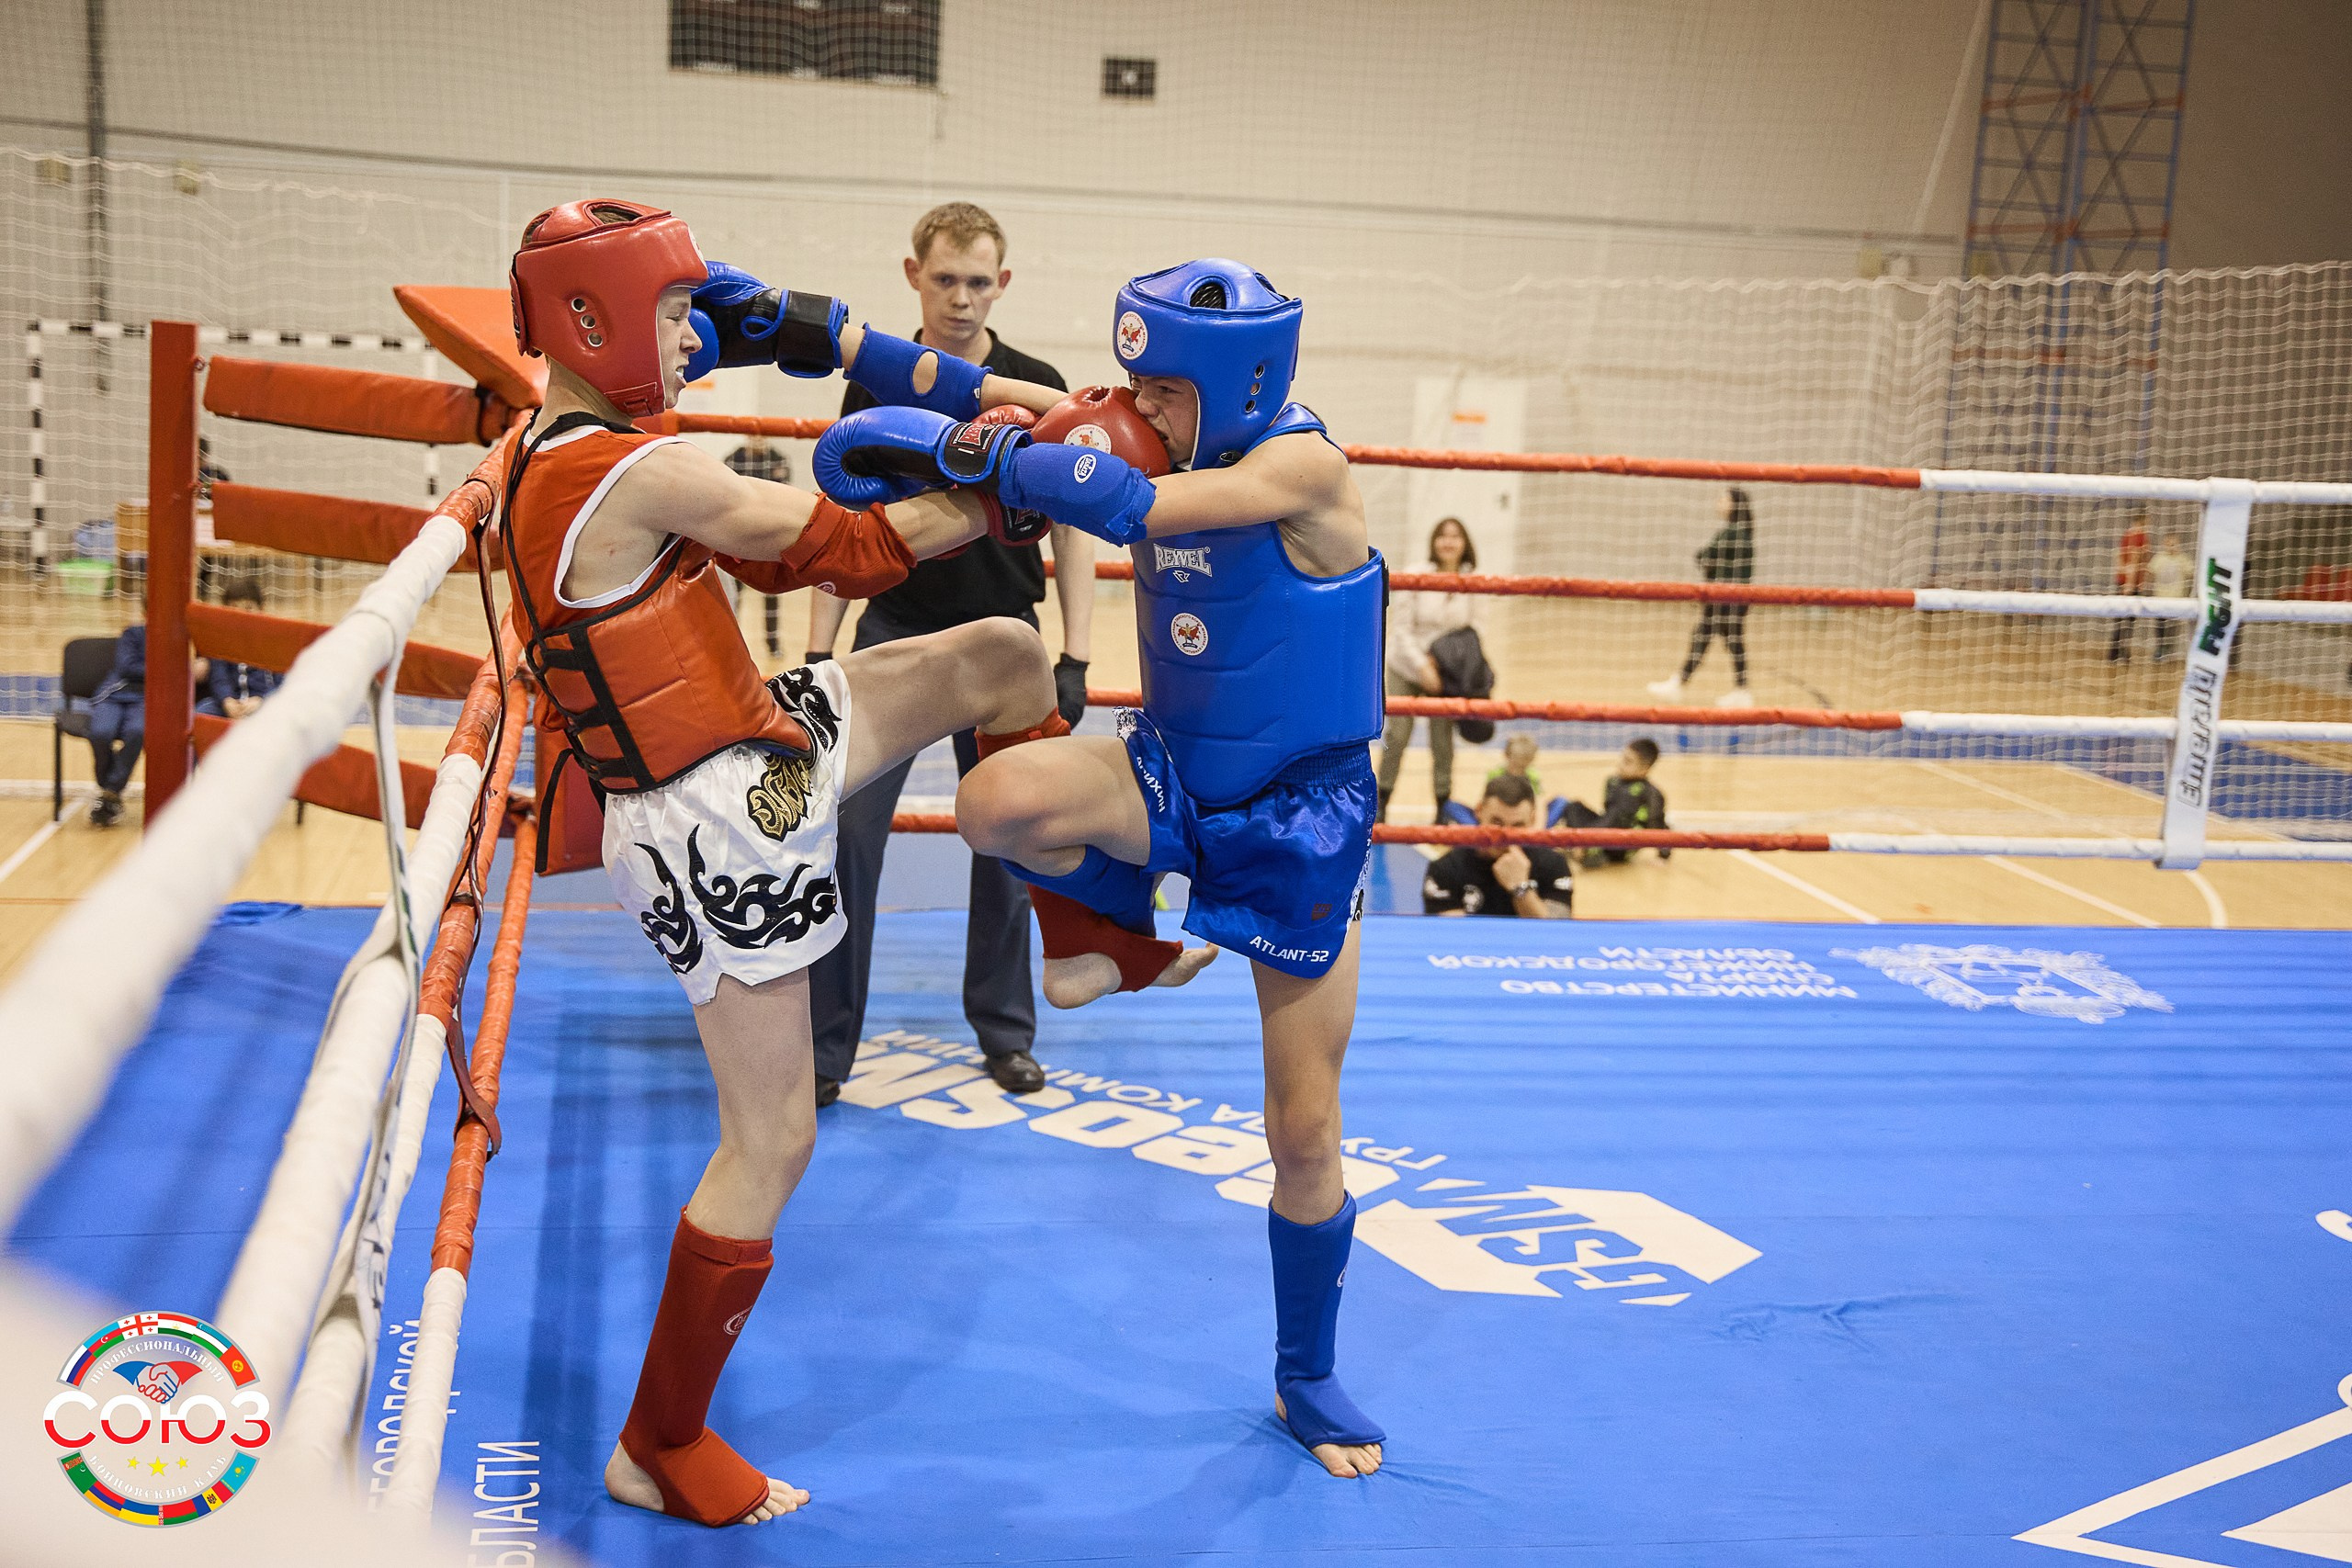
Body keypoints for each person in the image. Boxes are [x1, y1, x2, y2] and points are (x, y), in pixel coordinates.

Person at [503, 199, 1068, 1529]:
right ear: (592, 320)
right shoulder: (627, 473)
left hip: (764, 735)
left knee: (1003, 650)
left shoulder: (572, 444)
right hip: (721, 821)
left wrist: (840, 354)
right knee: (772, 1139)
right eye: (668, 313)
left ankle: (1089, 927)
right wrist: (998, 480)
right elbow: (851, 548)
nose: (692, 337)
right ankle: (659, 1437)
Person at [814, 259, 1391, 1480]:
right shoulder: (1164, 435)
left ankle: (1305, 1373)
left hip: (1301, 817)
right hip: (1173, 768)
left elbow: (1122, 502)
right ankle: (1115, 942)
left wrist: (993, 455)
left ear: (1241, 382)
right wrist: (821, 333)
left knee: (1302, 1128)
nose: (1144, 409)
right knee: (993, 798)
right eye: (1135, 384)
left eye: (1166, 393)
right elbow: (981, 386)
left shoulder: (1300, 467)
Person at [804, 201, 1087, 1107]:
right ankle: (824, 1050)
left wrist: (1076, 653)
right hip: (896, 632)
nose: (961, 298)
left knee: (1014, 837)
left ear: (1002, 283)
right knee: (846, 834)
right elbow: (840, 522)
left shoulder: (1040, 387)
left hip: (1006, 647)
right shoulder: (876, 391)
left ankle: (1004, 1034)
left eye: (978, 282)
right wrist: (819, 649)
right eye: (944, 280)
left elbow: (1076, 527)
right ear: (912, 276)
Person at [1375, 516, 1480, 821]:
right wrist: (1423, 665)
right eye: (1442, 536)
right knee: (1398, 735)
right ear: (1433, 541)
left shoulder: (1475, 579)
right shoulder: (1417, 574)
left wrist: (1447, 667)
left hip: (1448, 672)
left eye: (1455, 536)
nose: (1448, 542)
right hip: (1406, 664)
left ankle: (1442, 807)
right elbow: (1402, 630)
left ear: (1465, 543)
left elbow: (1476, 632)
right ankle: (1382, 801)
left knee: (1443, 739)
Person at [1649, 487, 1756, 707]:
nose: (1719, 502)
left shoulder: (1734, 534)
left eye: (1723, 500)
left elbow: (1705, 556)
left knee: (1708, 638)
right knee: (1727, 641)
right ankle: (1740, 690)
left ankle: (1681, 683)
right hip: (1728, 599)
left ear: (1734, 505)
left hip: (1725, 600)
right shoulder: (1737, 532)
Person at [1420, 773, 1575, 918]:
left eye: (1517, 826)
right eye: (1497, 823)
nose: (1505, 836)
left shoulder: (1554, 865)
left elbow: (1555, 936)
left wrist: (1521, 889)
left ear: (1532, 819)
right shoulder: (1445, 869)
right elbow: (1451, 937)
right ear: (1479, 811)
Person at [721, 436, 792, 656]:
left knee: (772, 593)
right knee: (733, 593)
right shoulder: (733, 459)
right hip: (738, 537)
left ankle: (773, 644)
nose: (758, 439)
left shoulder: (778, 459)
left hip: (769, 536)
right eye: (754, 435)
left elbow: (784, 496)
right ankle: (731, 642)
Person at [1555, 738, 1669, 866]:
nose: (1620, 764)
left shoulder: (1652, 794)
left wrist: (1663, 855)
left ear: (1645, 769)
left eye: (1628, 762)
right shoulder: (1613, 782)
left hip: (1622, 846)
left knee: (1616, 815)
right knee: (1574, 807)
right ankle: (1583, 846)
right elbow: (1607, 816)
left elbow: (1659, 824)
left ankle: (1587, 848)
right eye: (1623, 758)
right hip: (1605, 830)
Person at [85, 621, 145, 827]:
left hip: (147, 699)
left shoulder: (178, 637)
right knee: (100, 732)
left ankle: (110, 793)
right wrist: (162, 666)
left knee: (138, 731)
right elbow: (126, 667)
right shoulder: (133, 633)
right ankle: (110, 791)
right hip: (114, 694)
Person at [197, 576, 282, 718]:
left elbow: (282, 682)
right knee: (198, 715)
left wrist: (262, 700)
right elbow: (219, 677)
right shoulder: (220, 640)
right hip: (229, 703)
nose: (242, 615)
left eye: (248, 609)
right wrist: (227, 700)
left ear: (261, 609)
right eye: (234, 610)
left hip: (263, 702)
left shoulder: (273, 641)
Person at [2109, 510, 2154, 663]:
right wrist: (2131, 584)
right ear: (2143, 519)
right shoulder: (2140, 536)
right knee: (2127, 620)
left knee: (2120, 619)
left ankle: (2115, 653)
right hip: (2130, 583)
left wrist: (2122, 578)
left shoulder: (2127, 534)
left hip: (2122, 581)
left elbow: (2120, 559)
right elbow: (2134, 559)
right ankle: (2121, 653)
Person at [2148, 529, 2193, 662]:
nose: (2172, 545)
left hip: (2176, 599)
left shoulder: (2183, 558)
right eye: (2169, 543)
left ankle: (2168, 650)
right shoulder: (2159, 557)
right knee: (2160, 626)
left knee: (2172, 628)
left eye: (2174, 543)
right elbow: (2150, 572)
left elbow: (2191, 573)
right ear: (2165, 543)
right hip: (2160, 597)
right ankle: (2159, 649)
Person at [1486, 732, 1541, 800]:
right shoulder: (1496, 775)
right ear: (1506, 755)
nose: (1518, 770)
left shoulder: (1532, 776)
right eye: (1515, 765)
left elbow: (1536, 799)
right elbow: (1487, 799)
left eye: (1523, 767)